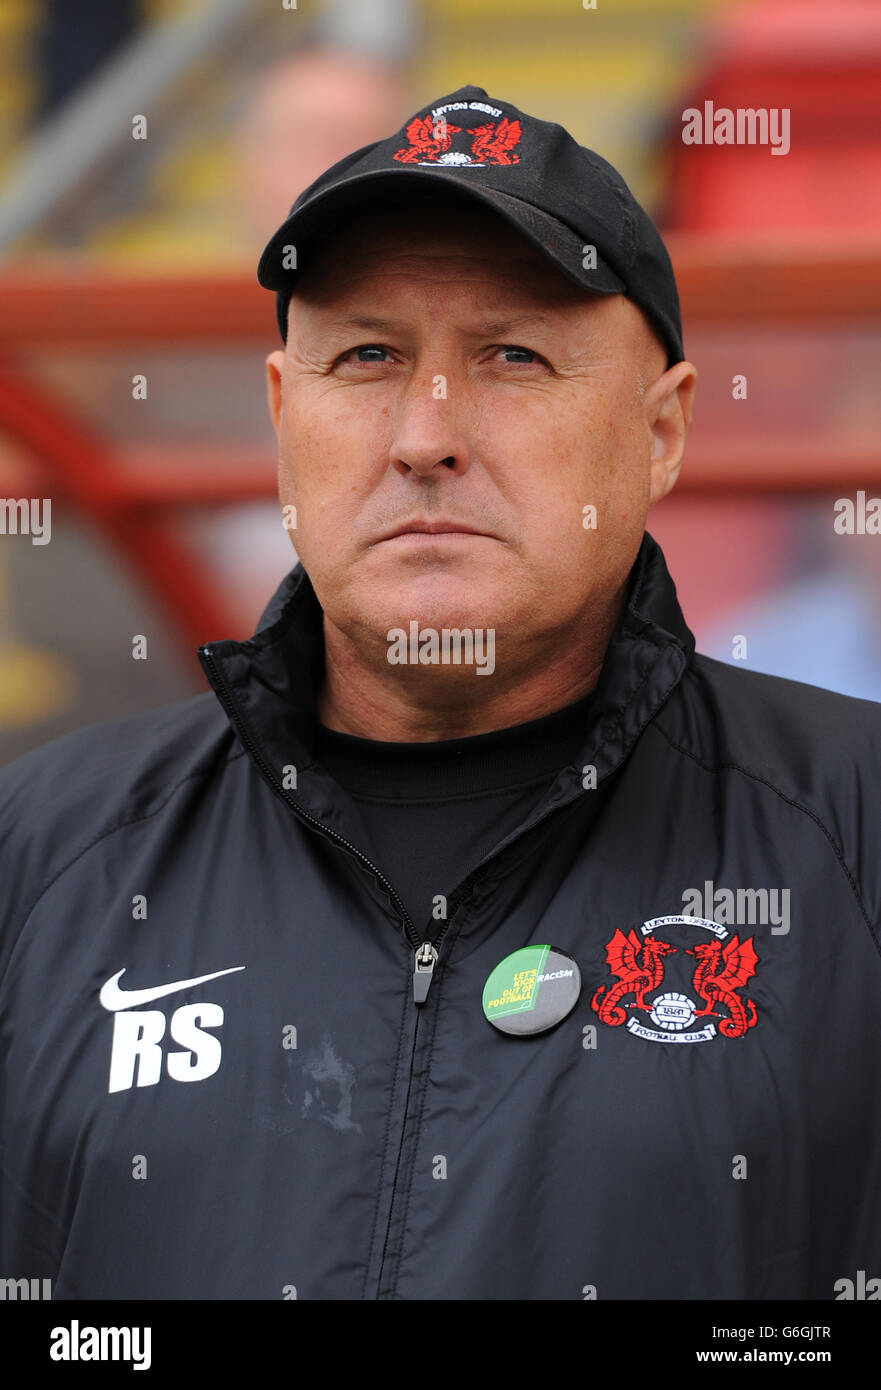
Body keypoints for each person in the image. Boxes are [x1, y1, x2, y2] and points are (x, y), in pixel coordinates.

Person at [1, 84, 879, 1302]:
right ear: (278, 415)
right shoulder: (42, 858)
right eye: (367, 356)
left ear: (662, 431)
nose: (425, 434)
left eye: (512, 356)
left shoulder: (853, 833)